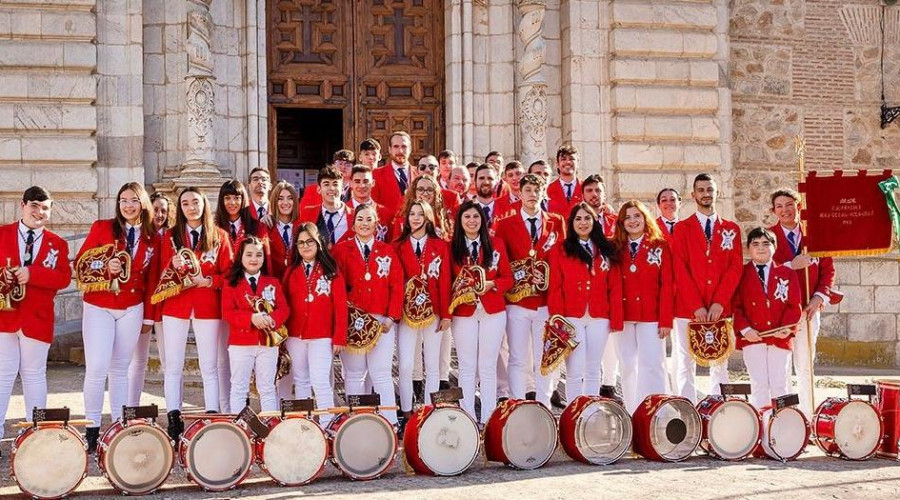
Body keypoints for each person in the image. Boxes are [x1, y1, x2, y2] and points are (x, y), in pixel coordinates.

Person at [77, 182, 159, 452]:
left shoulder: (153, 237)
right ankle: (91, 429)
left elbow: (153, 279)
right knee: (98, 366)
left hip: (132, 306)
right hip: (100, 304)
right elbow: (81, 262)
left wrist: (148, 317)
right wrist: (105, 265)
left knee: (120, 369)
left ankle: (118, 427)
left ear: (142, 203)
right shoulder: (102, 227)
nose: (128, 205)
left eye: (134, 200)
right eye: (123, 200)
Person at [156, 187, 233, 440]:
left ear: (204, 205)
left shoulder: (220, 236)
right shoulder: (169, 236)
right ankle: (174, 419)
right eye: (186, 203)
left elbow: (230, 275)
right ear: (180, 208)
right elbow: (159, 275)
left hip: (207, 308)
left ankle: (211, 414)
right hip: (176, 306)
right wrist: (172, 265)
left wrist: (207, 281)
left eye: (196, 202)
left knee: (209, 366)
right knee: (173, 366)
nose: (191, 207)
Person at [0, 186, 71, 446]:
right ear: (23, 205)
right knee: (2, 374)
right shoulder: (2, 234)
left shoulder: (58, 244)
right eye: (34, 206)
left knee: (34, 375)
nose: (39, 212)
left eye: (45, 208)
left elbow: (64, 278)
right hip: (4, 315)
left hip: (37, 318)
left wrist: (33, 274)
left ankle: (36, 433)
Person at [671, 174, 743, 402]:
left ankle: (718, 406)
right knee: (685, 362)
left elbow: (735, 267)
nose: (706, 194)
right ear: (693, 195)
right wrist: (695, 306)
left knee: (720, 360)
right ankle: (687, 406)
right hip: (687, 309)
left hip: (720, 308)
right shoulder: (682, 229)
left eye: (710, 189)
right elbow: (679, 269)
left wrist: (720, 301)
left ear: (717, 193)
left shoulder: (731, 229)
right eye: (701, 190)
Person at [495, 174, 565, 407]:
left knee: (543, 357)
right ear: (520, 194)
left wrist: (547, 275)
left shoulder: (556, 222)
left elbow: (562, 260)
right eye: (528, 191)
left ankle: (543, 404)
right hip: (518, 302)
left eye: (537, 190)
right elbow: (502, 262)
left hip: (545, 302)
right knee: (517, 357)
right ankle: (517, 403)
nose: (532, 195)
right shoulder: (505, 224)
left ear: (543, 192)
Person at [332, 204, 403, 427]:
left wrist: (392, 317)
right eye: (360, 219)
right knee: (354, 374)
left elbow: (397, 284)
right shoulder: (341, 250)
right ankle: (358, 420)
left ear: (376, 223)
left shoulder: (387, 251)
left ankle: (389, 421)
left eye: (369, 219)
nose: (364, 223)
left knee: (381, 372)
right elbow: (337, 287)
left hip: (382, 322)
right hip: (354, 322)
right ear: (353, 224)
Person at [769, 188, 836, 417]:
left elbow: (828, 271)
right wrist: (791, 266)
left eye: (789, 204)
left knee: (806, 366)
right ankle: (788, 418)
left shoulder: (815, 235)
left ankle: (808, 417)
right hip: (781, 315)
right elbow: (766, 272)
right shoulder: (768, 237)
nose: (785, 210)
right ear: (773, 211)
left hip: (808, 311)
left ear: (798, 206)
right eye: (779, 206)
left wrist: (819, 297)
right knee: (783, 366)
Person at [547, 202, 622, 402]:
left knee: (593, 366)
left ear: (594, 220)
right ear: (571, 223)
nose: (583, 223)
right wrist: (558, 319)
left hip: (600, 315)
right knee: (574, 368)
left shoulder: (606, 248)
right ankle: (574, 410)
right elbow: (555, 286)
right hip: (572, 317)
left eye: (587, 218)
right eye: (578, 219)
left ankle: (590, 409)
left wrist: (616, 318)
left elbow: (614, 286)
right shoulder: (561, 249)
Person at [450, 201, 512, 424]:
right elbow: (448, 281)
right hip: (463, 312)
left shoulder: (496, 244)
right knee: (466, 366)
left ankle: (488, 418)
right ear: (460, 221)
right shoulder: (452, 247)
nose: (472, 221)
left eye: (476, 217)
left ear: (482, 220)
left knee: (487, 366)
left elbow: (508, 278)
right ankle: (467, 417)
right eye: (467, 217)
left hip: (492, 311)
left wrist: (492, 284)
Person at [613, 201, 674, 413]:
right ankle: (633, 411)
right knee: (628, 365)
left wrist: (666, 319)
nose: (632, 221)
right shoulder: (615, 248)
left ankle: (658, 411)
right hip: (625, 316)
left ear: (645, 218)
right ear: (622, 222)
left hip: (652, 316)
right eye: (627, 217)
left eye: (636, 216)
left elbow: (667, 285)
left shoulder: (660, 246)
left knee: (653, 364)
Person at [283, 223, 347, 423]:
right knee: (301, 381)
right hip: (296, 335)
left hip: (321, 335)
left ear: (318, 242)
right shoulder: (291, 271)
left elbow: (340, 306)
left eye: (309, 241)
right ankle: (305, 424)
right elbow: (283, 303)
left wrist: (339, 337)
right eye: (301, 243)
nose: (305, 246)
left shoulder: (331, 269)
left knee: (320, 381)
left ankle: (327, 425)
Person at [394, 201, 451, 418]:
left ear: (428, 218)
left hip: (434, 312)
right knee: (406, 363)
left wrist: (446, 314)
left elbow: (445, 281)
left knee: (433, 364)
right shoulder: (397, 246)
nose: (415, 218)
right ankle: (407, 410)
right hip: (407, 313)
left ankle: (430, 410)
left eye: (420, 214)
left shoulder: (440, 246)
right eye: (412, 214)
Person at [733, 227, 801, 410]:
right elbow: (736, 306)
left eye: (766, 243)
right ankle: (763, 428)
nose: (761, 248)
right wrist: (746, 330)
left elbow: (794, 305)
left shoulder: (787, 273)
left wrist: (787, 328)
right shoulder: (741, 273)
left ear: (775, 246)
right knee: (759, 383)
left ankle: (782, 429)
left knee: (780, 383)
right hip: (753, 337)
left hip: (779, 337)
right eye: (755, 244)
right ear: (748, 249)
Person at [222, 236, 289, 413]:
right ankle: (240, 431)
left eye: (258, 255)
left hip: (267, 343)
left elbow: (284, 308)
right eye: (249, 254)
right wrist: (251, 319)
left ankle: (270, 426)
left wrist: (271, 319)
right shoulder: (230, 284)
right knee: (239, 388)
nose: (254, 259)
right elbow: (227, 312)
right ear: (241, 257)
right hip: (240, 343)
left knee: (267, 388)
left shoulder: (272, 282)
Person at [128, 192, 173, 405]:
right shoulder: (142, 237)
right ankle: (131, 407)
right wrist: (147, 315)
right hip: (142, 305)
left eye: (164, 210)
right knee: (137, 361)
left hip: (167, 308)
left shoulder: (173, 237)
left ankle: (174, 409)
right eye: (156, 209)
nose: (160, 214)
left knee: (169, 363)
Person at [299, 166, 354, 247]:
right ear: (319, 189)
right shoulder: (307, 213)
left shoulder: (355, 215)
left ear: (342, 189)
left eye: (335, 184)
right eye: (326, 184)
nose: (331, 188)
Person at [372, 131, 414, 218]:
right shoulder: (376, 174)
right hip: (388, 228)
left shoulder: (420, 174)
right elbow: (373, 204)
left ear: (410, 149)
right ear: (390, 149)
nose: (400, 151)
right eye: (396, 146)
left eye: (404, 146)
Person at [268, 181, 299, 279]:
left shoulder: (302, 226)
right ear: (274, 202)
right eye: (280, 199)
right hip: (273, 283)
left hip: (296, 282)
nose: (285, 203)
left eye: (290, 198)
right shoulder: (266, 227)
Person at [547, 145, 583, 218]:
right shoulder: (548, 189)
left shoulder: (586, 187)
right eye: (563, 159)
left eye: (571, 159)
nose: (568, 162)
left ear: (578, 163)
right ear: (557, 164)